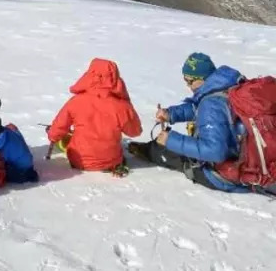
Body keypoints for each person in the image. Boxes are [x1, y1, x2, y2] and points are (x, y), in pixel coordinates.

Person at [126, 52, 248, 192]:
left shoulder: (212, 105)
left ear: (203, 78)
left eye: (190, 81)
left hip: (223, 175)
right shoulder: (227, 86)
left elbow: (215, 151)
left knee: (174, 152)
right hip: (242, 157)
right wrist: (171, 114)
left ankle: (150, 151)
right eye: (185, 80)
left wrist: (171, 140)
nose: (188, 85)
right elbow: (198, 107)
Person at [46, 58, 142, 176]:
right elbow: (135, 131)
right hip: (111, 161)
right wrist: (127, 105)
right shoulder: (121, 106)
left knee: (72, 138)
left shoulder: (76, 101)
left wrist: (52, 136)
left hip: (78, 160)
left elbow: (58, 128)